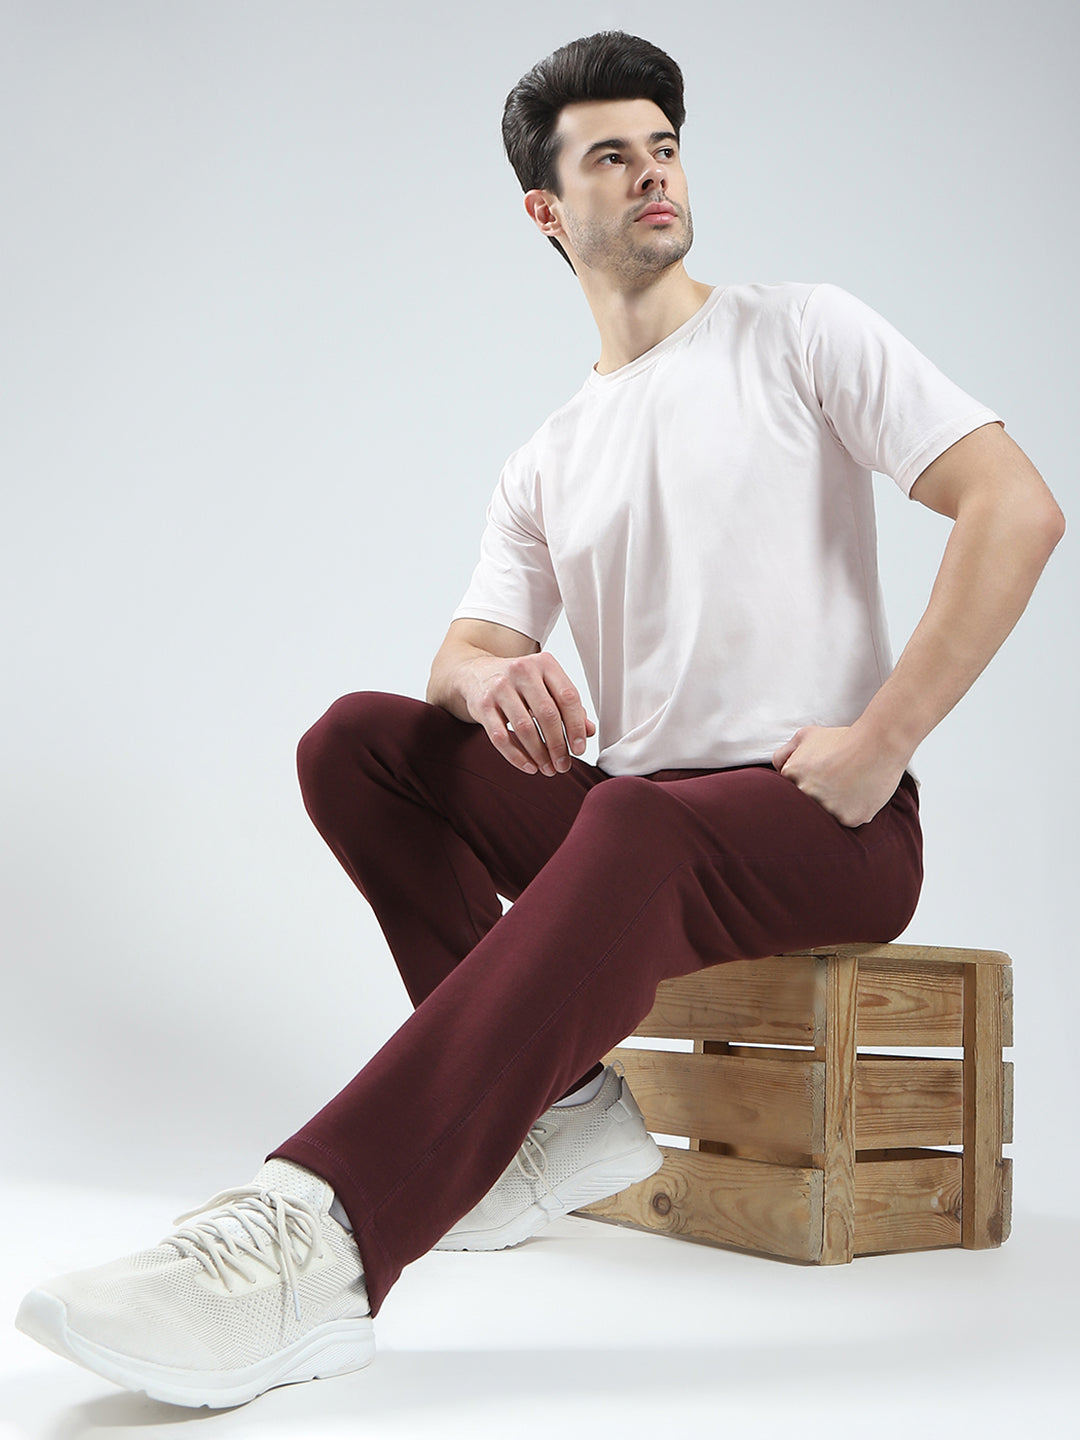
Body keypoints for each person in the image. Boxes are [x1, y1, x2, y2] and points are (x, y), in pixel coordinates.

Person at [16, 29, 1064, 1410]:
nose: (652, 174)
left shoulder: (801, 331)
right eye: (611, 156)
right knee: (361, 744)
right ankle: (559, 1120)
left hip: (827, 820)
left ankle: (323, 1241)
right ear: (547, 209)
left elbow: (1014, 507)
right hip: (645, 821)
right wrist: (480, 681)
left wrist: (882, 745)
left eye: (665, 148)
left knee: (632, 823)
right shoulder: (552, 455)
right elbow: (465, 650)